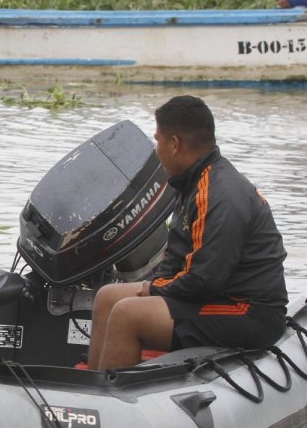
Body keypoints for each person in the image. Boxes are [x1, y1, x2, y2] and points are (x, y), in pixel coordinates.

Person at [85, 95, 288, 371]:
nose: (156, 150)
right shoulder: (190, 182)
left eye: (158, 140)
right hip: (209, 297)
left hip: (246, 311)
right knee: (107, 297)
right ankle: (92, 389)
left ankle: (111, 403)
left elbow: (204, 281)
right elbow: (176, 260)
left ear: (174, 144)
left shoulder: (218, 193)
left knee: (126, 314)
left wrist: (152, 288)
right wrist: (154, 286)